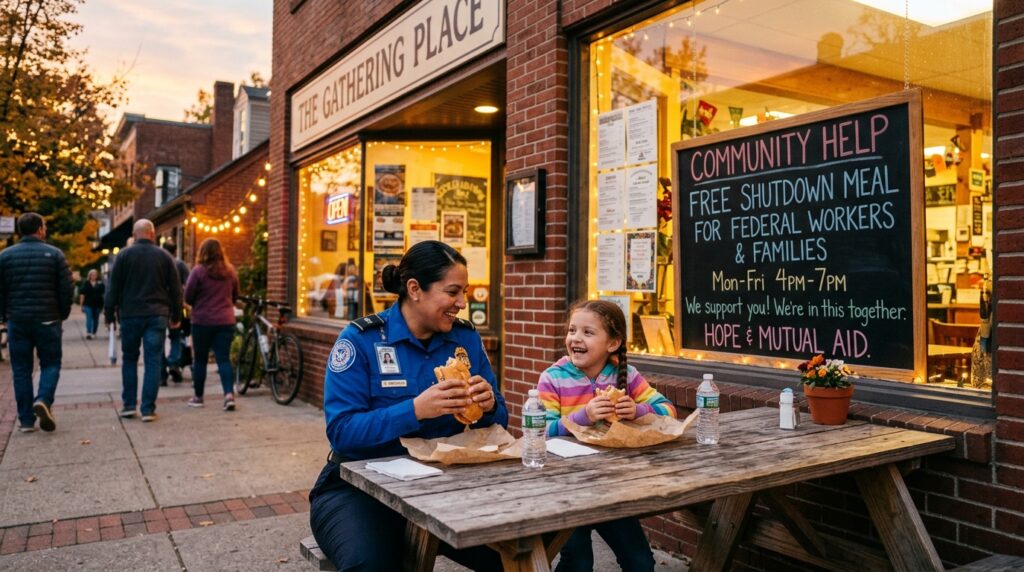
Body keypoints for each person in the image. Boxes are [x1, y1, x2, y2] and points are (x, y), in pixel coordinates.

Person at [309, 240, 508, 571]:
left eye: (464, 292)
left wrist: (488, 405)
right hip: (358, 490)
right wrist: (415, 410)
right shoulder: (361, 340)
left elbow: (499, 419)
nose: (462, 302)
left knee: (516, 552)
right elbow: (342, 432)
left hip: (446, 487)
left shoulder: (466, 340)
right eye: (453, 292)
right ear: (415, 289)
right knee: (370, 564)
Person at [537, 299, 676, 572]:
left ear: (612, 343)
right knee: (578, 561)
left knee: (640, 562)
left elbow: (668, 411)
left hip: (612, 487)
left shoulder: (627, 376)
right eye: (572, 330)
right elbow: (540, 429)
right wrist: (583, 417)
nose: (576, 338)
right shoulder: (552, 378)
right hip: (567, 487)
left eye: (588, 332)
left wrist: (637, 410)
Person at [0, 213, 74, 433]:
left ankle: (25, 420)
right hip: (47, 319)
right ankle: (43, 399)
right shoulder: (54, 255)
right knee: (50, 364)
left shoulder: (5, 257)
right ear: (40, 229)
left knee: (21, 370)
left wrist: (4, 316)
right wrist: (62, 313)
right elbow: (67, 289)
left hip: (18, 320)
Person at [104, 219, 182, 422]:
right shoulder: (164, 257)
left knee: (129, 359)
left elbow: (113, 288)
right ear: (153, 234)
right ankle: (148, 408)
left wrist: (109, 314)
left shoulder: (123, 256)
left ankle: (129, 405)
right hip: (157, 314)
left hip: (130, 314)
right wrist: (176, 316)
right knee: (153, 361)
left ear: (134, 233)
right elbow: (175, 290)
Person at [183, 238, 240, 411]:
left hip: (202, 321)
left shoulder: (198, 272)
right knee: (223, 359)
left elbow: (188, 297)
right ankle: (229, 395)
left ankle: (198, 397)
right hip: (225, 320)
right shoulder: (230, 272)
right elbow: (236, 295)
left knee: (200, 360)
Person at [161, 241, 191, 385]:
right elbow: (188, 285)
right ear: (175, 250)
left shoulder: (157, 264)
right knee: (176, 337)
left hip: (159, 307)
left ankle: (161, 374)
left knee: (158, 339)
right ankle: (173, 362)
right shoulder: (180, 265)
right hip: (176, 306)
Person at [79, 269, 105, 339]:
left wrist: (103, 306)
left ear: (97, 276)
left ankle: (94, 332)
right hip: (87, 304)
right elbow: (82, 294)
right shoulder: (86, 284)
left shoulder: (100, 284)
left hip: (97, 304)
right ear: (89, 276)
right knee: (89, 318)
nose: (93, 276)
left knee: (96, 319)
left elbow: (103, 295)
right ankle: (89, 333)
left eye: (95, 275)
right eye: (92, 275)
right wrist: (81, 305)